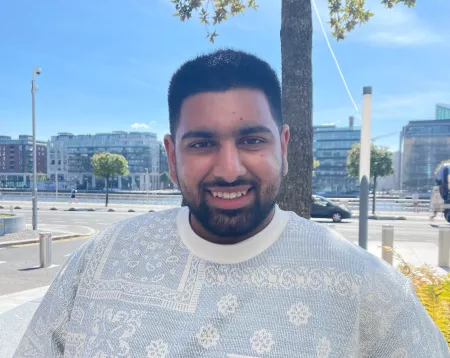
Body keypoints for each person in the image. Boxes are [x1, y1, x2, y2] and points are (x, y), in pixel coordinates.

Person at [14, 50, 448, 357]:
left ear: (283, 145)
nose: (227, 169)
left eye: (251, 140)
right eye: (202, 143)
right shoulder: (98, 262)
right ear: (171, 155)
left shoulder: (369, 289)